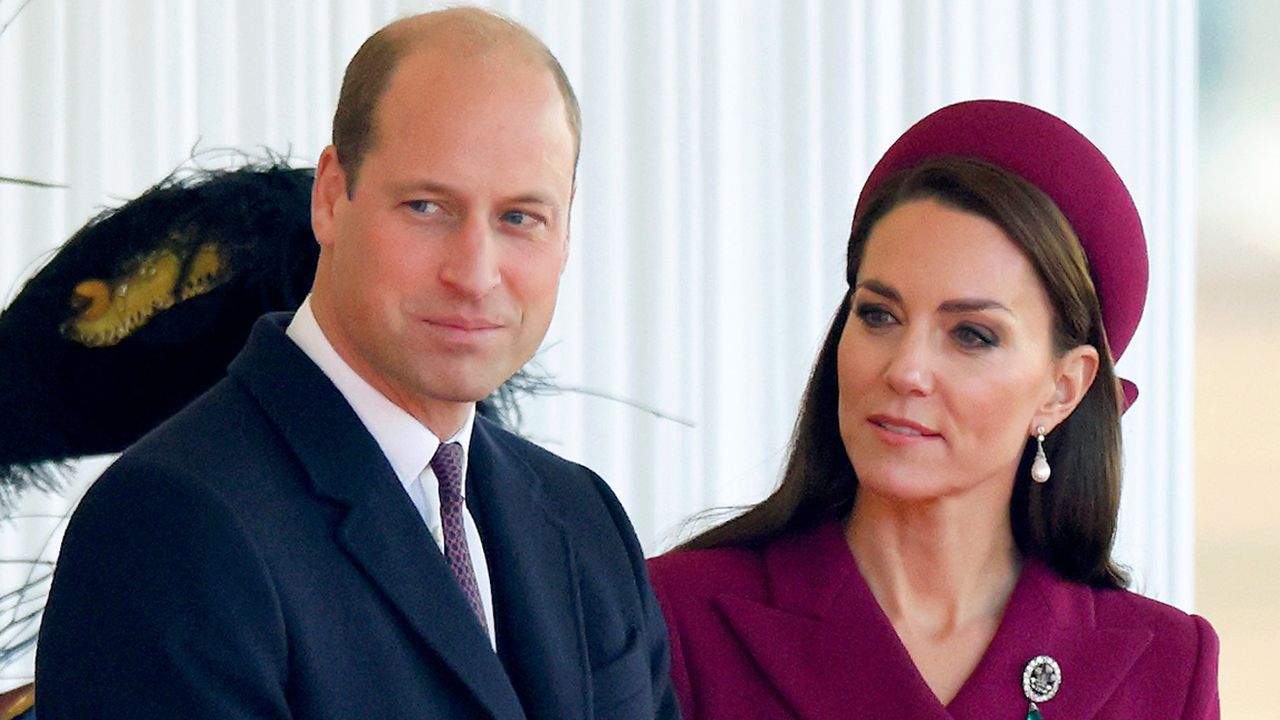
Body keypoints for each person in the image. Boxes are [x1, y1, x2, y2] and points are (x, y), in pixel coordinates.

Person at [36, 8, 678, 719]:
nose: (475, 273)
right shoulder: (171, 526)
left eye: (520, 218)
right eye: (428, 206)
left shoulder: (584, 519)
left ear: (566, 231)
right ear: (332, 196)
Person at [648, 100, 1220, 720]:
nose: (905, 369)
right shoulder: (675, 618)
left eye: (971, 334)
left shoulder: (1165, 669)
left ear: (1063, 389)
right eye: (879, 315)